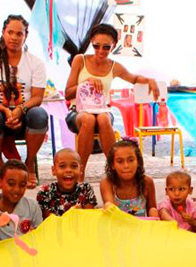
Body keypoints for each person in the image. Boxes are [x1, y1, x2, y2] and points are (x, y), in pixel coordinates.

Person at [64, 24, 158, 180]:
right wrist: (86, 82)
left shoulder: (114, 66)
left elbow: (133, 78)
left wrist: (150, 80)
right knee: (88, 118)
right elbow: (68, 93)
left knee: (102, 118)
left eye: (106, 47)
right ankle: (80, 174)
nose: (100, 51)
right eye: (96, 46)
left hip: (102, 111)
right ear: (91, 43)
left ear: (113, 46)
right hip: (78, 110)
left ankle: (114, 171)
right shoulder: (80, 60)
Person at [0, 15, 48, 187]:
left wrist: (19, 110)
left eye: (19, 34)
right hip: (1, 118)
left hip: (25, 117)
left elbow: (37, 97)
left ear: (26, 36)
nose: (14, 37)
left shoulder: (35, 62)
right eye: (10, 32)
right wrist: (5, 111)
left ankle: (29, 163)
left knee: (39, 114)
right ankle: (0, 165)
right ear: (3, 33)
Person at [0, 160, 42, 241]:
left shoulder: (32, 206)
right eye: (11, 183)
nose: (17, 189)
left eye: (22, 185)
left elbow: (40, 236)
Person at [100, 139, 158, 217]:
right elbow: (111, 211)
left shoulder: (147, 182)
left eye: (131, 160)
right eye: (120, 161)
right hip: (117, 227)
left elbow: (152, 212)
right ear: (112, 165)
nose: (126, 166)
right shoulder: (107, 183)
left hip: (141, 228)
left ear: (138, 162)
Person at [36, 148, 97, 217]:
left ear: (81, 170)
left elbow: (90, 218)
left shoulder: (86, 189)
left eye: (74, 166)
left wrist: (81, 213)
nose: (68, 170)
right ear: (54, 170)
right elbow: (46, 222)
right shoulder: (45, 192)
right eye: (62, 166)